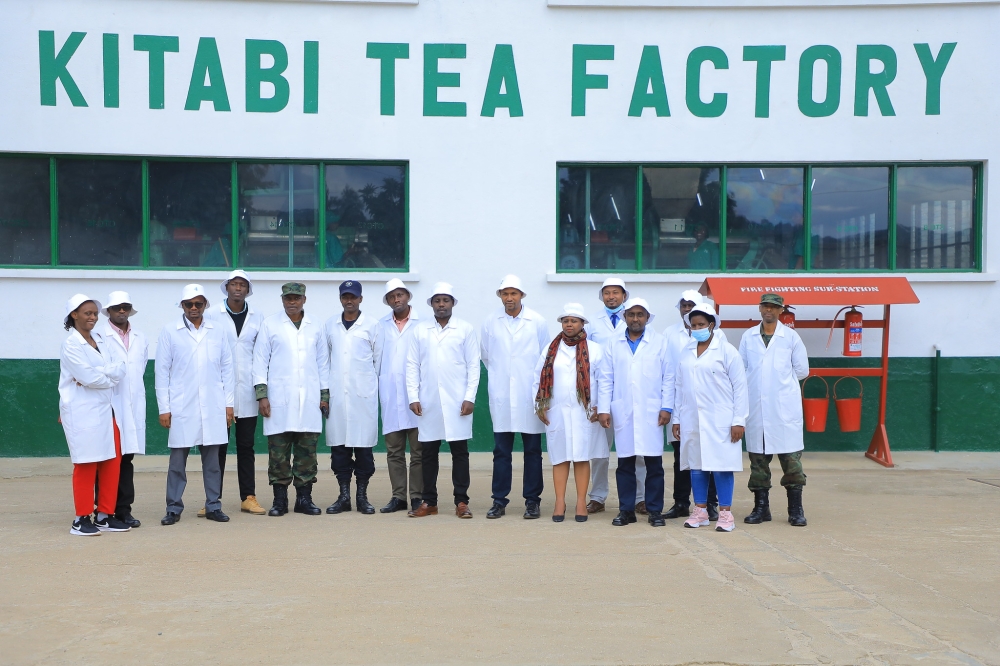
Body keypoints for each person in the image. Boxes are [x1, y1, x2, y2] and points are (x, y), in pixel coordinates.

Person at [155, 284, 235, 526]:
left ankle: (213, 505)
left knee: (212, 463)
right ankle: (173, 507)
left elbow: (227, 368)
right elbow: (162, 371)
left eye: (198, 304)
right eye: (188, 304)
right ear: (182, 305)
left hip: (213, 404)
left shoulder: (217, 330)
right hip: (182, 405)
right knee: (177, 462)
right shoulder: (170, 331)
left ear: (205, 305)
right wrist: (164, 408)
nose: (193, 308)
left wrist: (229, 404)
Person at [252, 283, 330, 517]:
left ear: (304, 299)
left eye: (296, 298)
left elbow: (323, 363)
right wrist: (262, 395)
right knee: (278, 454)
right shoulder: (270, 324)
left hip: (309, 399)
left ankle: (304, 499)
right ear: (282, 299)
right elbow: (259, 361)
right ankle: (280, 500)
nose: (292, 302)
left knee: (307, 454)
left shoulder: (316, 325)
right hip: (279, 399)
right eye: (288, 298)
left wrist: (324, 396)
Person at [406, 282, 480, 519]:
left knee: (460, 452)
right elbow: (412, 365)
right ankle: (429, 501)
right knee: (428, 453)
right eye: (437, 301)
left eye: (445, 300)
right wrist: (413, 396)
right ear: (431, 304)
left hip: (458, 401)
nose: (441, 304)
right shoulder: (420, 330)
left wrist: (469, 397)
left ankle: (462, 501)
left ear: (452, 303)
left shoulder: (465, 329)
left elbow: (473, 365)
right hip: (428, 400)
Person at [59, 294, 131, 536]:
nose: (92, 317)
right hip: (82, 412)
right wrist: (105, 376)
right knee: (86, 464)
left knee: (112, 461)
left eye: (94, 313)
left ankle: (104, 515)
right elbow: (88, 376)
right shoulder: (71, 344)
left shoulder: (100, 339)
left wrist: (100, 375)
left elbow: (120, 366)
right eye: (87, 313)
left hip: (107, 410)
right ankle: (81, 519)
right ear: (74, 315)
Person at [674, 303, 748, 533]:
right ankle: (701, 511)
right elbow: (679, 387)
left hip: (721, 420)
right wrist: (677, 418)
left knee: (722, 466)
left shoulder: (727, 351)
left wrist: (739, 420)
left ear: (712, 325)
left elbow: (740, 388)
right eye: (693, 325)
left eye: (701, 325)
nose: (697, 329)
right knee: (697, 466)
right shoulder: (686, 351)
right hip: (692, 418)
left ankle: (725, 513)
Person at [481, 275, 549, 520]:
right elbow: (487, 356)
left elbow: (544, 358)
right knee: (501, 451)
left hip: (529, 395)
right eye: (505, 293)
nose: (509, 298)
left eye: (514, 293)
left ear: (522, 295)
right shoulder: (490, 321)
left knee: (532, 450)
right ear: (500, 296)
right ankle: (499, 501)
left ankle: (532, 501)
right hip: (502, 394)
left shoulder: (537, 321)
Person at [738, 293, 810, 527]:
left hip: (783, 411)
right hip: (757, 409)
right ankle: (761, 508)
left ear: (781, 310)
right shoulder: (748, 336)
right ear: (759, 308)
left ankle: (795, 510)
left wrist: (779, 385)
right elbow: (742, 369)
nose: (769, 310)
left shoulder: (790, 337)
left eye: (773, 307)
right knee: (758, 463)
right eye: (765, 306)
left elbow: (802, 370)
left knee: (792, 464)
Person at [532, 303, 608, 522]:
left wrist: (601, 407)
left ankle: (581, 502)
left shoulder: (595, 349)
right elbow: (537, 377)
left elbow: (604, 381)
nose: (569, 324)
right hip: (556, 411)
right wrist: (539, 405)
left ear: (582, 323)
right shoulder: (550, 349)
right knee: (560, 457)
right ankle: (559, 502)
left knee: (582, 457)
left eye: (574, 320)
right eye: (565, 321)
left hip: (586, 412)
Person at [597, 298, 669, 527]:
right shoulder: (613, 343)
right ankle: (626, 510)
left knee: (654, 465)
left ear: (647, 317)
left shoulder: (660, 342)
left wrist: (666, 407)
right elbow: (605, 378)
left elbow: (669, 377)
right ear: (625, 317)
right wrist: (603, 409)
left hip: (652, 411)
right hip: (623, 409)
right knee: (625, 464)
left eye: (640, 314)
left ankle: (655, 511)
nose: (635, 319)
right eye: (631, 314)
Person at [204, 270, 267, 516]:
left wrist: (261, 391)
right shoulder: (212, 315)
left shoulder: (258, 317)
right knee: (218, 447)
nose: (238, 288)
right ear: (227, 288)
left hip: (248, 391)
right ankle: (213, 499)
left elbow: (261, 355)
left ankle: (248, 497)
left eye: (242, 285)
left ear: (248, 290)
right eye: (234, 284)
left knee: (246, 447)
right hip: (220, 392)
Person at [584, 277, 646, 515]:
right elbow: (586, 361)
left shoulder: (635, 320)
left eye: (616, 292)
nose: (611, 297)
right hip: (601, 394)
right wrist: (594, 402)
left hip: (630, 393)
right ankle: (598, 496)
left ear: (624, 296)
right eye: (607, 293)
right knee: (600, 451)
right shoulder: (592, 323)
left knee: (636, 450)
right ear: (602, 296)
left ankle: (640, 498)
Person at [325, 280, 384, 516]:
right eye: (345, 296)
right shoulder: (330, 325)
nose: (349, 300)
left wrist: (366, 385)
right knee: (339, 450)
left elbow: (378, 362)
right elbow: (326, 360)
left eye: (353, 296)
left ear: (360, 298)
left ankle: (362, 496)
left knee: (363, 450)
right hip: (338, 396)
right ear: (340, 299)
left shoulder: (372, 325)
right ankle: (344, 496)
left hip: (363, 397)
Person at [662, 290, 720, 521]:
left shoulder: (719, 337)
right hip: (682, 405)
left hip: (709, 407)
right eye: (683, 305)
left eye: (691, 305)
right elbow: (669, 373)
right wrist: (671, 410)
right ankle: (680, 503)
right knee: (681, 458)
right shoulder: (669, 334)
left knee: (709, 457)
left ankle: (710, 504)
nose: (687, 308)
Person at [98, 292, 148, 529]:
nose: (121, 311)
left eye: (125, 307)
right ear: (108, 311)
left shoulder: (141, 337)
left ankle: (124, 510)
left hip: (132, 404)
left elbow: (139, 369)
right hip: (108, 405)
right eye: (117, 307)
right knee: (107, 459)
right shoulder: (99, 336)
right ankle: (103, 510)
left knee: (127, 459)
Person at [377, 278, 424, 515]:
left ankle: (416, 496)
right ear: (387, 301)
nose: (396, 299)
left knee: (418, 451)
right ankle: (398, 496)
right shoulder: (380, 325)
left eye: (400, 295)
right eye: (392, 297)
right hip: (390, 394)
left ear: (407, 296)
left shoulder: (423, 324)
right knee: (394, 451)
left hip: (417, 396)